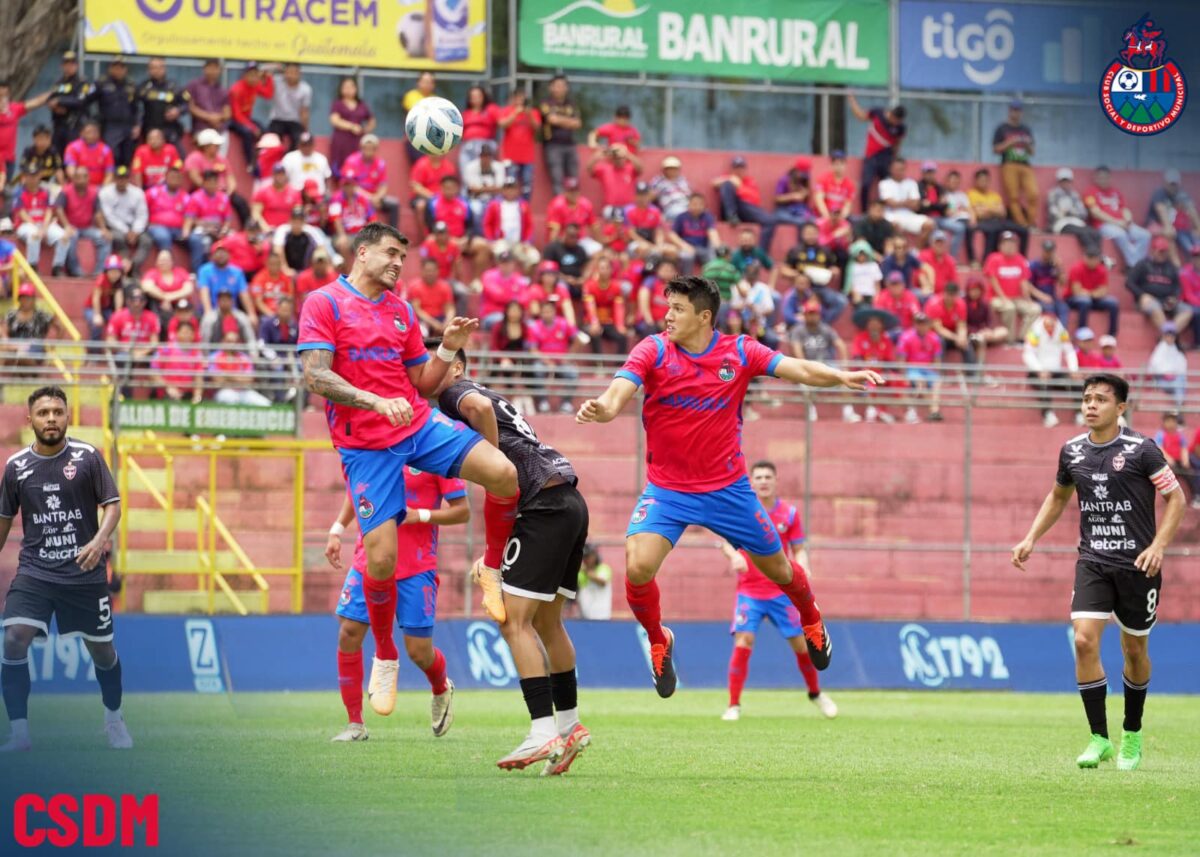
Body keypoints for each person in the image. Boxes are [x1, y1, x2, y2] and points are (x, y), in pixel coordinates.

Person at [577, 276, 880, 696]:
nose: (668, 315)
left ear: (704, 316)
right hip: (669, 490)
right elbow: (618, 393)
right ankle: (659, 639)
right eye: (668, 307)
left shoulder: (740, 351)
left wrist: (840, 376)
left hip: (728, 489)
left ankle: (810, 616)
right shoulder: (653, 348)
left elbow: (799, 368)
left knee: (778, 569)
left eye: (678, 309)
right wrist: (604, 409)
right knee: (637, 566)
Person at [296, 223, 519, 716]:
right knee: (379, 563)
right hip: (365, 448)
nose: (399, 263)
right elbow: (314, 374)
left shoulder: (402, 311)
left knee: (505, 473)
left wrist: (445, 348)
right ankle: (387, 655)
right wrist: (374, 402)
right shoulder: (324, 302)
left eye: (403, 255)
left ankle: (491, 565)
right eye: (391, 253)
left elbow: (423, 383)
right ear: (362, 252)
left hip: (416, 425)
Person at [1012, 373, 1186, 771]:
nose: (1091, 405)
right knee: (1085, 640)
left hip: (1138, 566)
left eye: (1101, 400)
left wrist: (1158, 546)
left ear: (1120, 408)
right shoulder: (1072, 451)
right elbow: (1058, 497)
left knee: (1134, 650)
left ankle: (1133, 733)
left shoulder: (1143, 450)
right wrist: (1030, 538)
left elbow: (1175, 498)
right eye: (1087, 398)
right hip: (1093, 561)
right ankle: (1098, 738)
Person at [435, 355, 591, 774]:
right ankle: (569, 724)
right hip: (569, 501)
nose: (422, 375)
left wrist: (492, 461)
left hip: (540, 504)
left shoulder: (454, 393)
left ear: (454, 367)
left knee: (513, 622)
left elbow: (479, 412)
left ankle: (542, 732)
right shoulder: (494, 393)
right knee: (548, 624)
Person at [0, 387, 130, 752]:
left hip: (84, 571)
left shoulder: (87, 457)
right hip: (36, 572)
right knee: (13, 639)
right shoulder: (16, 467)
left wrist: (99, 541)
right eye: (43, 413)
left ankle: (114, 720)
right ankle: (20, 734)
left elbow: (113, 506)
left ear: (68, 416)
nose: (51, 418)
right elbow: (5, 520)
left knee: (102, 652)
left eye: (58, 411)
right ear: (30, 420)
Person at [325, 462, 468, 743]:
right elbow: (359, 490)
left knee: (419, 652)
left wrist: (420, 515)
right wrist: (337, 529)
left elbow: (462, 512)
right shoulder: (377, 449)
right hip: (369, 557)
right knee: (349, 632)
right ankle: (355, 724)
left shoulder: (435, 452)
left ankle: (440, 686)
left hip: (415, 566)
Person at [719, 460, 837, 722]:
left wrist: (804, 565)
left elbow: (798, 548)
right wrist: (732, 556)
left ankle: (816, 693)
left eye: (767, 477)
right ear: (751, 482)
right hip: (749, 591)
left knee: (802, 647)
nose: (763, 481)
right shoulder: (742, 512)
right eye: (758, 477)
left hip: (781, 593)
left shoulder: (789, 514)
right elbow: (725, 543)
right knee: (743, 641)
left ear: (775, 481)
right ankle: (733, 705)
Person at [847, 95, 906, 213]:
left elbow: (897, 145)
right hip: (871, 156)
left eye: (899, 121)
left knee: (888, 187)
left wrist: (893, 160)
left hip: (887, 158)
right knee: (866, 184)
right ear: (891, 114)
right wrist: (852, 101)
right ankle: (865, 213)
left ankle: (884, 213)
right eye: (895, 120)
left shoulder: (900, 128)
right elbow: (861, 116)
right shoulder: (878, 113)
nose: (896, 123)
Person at [1084, 166, 1150, 269]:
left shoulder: (1116, 192)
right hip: (1103, 225)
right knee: (1121, 234)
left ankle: (1137, 264)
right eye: (1100, 178)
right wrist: (1117, 222)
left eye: (1105, 177)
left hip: (1122, 223)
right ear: (1095, 178)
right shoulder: (1090, 192)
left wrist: (1128, 220)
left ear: (1110, 178)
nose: (1103, 180)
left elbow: (1124, 209)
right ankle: (1134, 266)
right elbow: (1095, 213)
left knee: (1145, 235)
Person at [1023, 308, 1078, 428]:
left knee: (1078, 383)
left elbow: (1069, 351)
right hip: (1037, 371)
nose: (1051, 323)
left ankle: (1080, 414)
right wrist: (1039, 369)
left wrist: (1073, 370)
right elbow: (1028, 354)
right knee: (1044, 383)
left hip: (1056, 370)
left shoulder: (1061, 330)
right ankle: (1047, 414)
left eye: (1053, 319)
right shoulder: (1035, 331)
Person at [984, 230, 1040, 343]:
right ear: (1000, 245)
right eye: (1007, 243)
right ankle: (1009, 340)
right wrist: (1003, 298)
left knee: (1035, 309)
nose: (1010, 246)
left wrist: (1028, 300)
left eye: (1012, 243)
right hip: (996, 297)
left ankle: (1022, 338)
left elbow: (1024, 282)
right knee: (1010, 308)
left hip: (1017, 298)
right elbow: (993, 281)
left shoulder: (1020, 259)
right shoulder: (993, 258)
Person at [1127, 236, 1192, 333]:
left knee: (1188, 311)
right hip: (1148, 300)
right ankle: (1171, 340)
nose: (1162, 254)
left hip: (1167, 300)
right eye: (1160, 251)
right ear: (1153, 251)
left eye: (1164, 251)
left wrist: (1174, 298)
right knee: (1155, 308)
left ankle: (1167, 338)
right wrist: (1142, 295)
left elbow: (1177, 286)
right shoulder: (1143, 264)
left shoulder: (1171, 266)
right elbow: (1129, 283)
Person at [55, 170, 111, 277]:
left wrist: (103, 228)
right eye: (78, 178)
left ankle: (99, 272)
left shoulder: (94, 192)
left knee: (104, 238)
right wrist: (67, 226)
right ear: (73, 179)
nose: (81, 181)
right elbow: (59, 210)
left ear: (88, 179)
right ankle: (75, 271)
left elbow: (98, 213)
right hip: (70, 227)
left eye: (84, 177)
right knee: (71, 237)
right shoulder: (65, 191)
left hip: (87, 227)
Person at [714, 156, 776, 252]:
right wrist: (730, 180)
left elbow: (754, 199)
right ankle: (732, 216)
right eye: (736, 168)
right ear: (732, 169)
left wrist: (739, 186)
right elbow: (714, 183)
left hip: (746, 209)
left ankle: (761, 252)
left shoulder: (750, 181)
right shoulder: (728, 178)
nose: (738, 171)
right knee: (727, 185)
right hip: (729, 210)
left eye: (741, 168)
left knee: (770, 221)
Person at [86, 57, 138, 168]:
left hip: (127, 126)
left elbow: (135, 108)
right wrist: (91, 123)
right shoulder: (101, 83)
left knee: (127, 157)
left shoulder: (131, 85)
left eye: (121, 67)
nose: (118, 70)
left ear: (125, 69)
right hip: (109, 126)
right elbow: (86, 101)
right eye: (115, 67)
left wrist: (137, 125)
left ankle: (123, 183)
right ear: (110, 68)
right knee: (113, 156)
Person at [993, 100, 1038, 228]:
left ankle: (1031, 223)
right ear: (1009, 111)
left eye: (1018, 111)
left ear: (1021, 112)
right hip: (1009, 164)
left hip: (1025, 164)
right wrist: (1010, 143)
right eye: (1013, 110)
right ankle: (1022, 224)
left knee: (1033, 194)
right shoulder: (1002, 128)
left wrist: (1026, 144)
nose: (1016, 113)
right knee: (1013, 196)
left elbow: (1032, 151)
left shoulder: (1026, 129)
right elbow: (995, 149)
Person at [12, 165, 65, 272]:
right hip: (25, 225)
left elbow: (49, 211)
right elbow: (22, 214)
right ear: (25, 177)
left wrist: (44, 228)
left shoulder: (46, 192)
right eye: (30, 176)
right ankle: (32, 266)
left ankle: (57, 267)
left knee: (64, 237)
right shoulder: (19, 192)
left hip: (43, 224)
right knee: (34, 234)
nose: (32, 179)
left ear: (40, 176)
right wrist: (38, 228)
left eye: (35, 176)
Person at [98, 166, 151, 272]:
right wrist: (126, 231)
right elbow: (109, 216)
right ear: (114, 179)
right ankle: (123, 267)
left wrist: (136, 231)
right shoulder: (105, 193)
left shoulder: (137, 193)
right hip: (115, 227)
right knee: (118, 239)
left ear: (128, 179)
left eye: (124, 178)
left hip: (134, 226)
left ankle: (133, 266)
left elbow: (142, 215)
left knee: (147, 241)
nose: (122, 181)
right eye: (119, 178)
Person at [0, 83, 50, 186]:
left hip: (8, 159)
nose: (2, 98)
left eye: (5, 95)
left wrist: (55, 91)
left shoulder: (14, 108)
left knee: (4, 189)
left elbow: (36, 102)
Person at [539, 75, 582, 195]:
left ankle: (574, 208)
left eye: (563, 85)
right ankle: (560, 208)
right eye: (557, 85)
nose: (560, 88)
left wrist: (560, 120)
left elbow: (578, 123)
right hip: (553, 145)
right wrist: (569, 122)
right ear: (551, 88)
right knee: (557, 178)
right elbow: (551, 120)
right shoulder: (546, 103)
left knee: (573, 178)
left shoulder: (571, 104)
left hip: (570, 145)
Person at [183, 169, 233, 270]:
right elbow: (191, 219)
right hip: (202, 229)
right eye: (209, 182)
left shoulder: (223, 198)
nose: (212, 185)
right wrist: (206, 226)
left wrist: (224, 229)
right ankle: (198, 271)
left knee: (234, 238)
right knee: (200, 241)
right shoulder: (195, 197)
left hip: (219, 228)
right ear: (204, 183)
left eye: (214, 182)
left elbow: (228, 220)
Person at [897, 313, 943, 423]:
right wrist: (903, 376)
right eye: (919, 323)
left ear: (928, 324)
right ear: (915, 324)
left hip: (928, 369)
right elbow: (901, 360)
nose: (921, 326)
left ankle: (935, 411)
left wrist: (938, 373)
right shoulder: (906, 337)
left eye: (924, 323)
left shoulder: (935, 338)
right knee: (920, 382)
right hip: (913, 368)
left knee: (937, 382)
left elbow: (937, 360)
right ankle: (931, 410)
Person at [1147, 169, 1199, 262]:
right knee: (1169, 236)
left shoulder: (1182, 194)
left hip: (1177, 228)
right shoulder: (1159, 193)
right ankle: (1177, 269)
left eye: (1175, 184)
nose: (1173, 187)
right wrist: (1168, 228)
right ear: (1165, 183)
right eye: (1171, 184)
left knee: (1194, 237)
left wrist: (1198, 228)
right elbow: (1161, 211)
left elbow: (1192, 210)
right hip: (1155, 224)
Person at [878, 157, 932, 245]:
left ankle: (916, 252)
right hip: (891, 216)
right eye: (896, 169)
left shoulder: (911, 183)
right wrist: (907, 202)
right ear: (891, 169)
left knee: (929, 224)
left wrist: (898, 203)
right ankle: (899, 253)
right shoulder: (884, 184)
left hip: (909, 215)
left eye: (901, 169)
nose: (899, 172)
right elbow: (890, 203)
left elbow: (916, 205)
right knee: (894, 225)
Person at [2, 283, 58, 368]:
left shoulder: (41, 315)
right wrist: (7, 341)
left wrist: (53, 346)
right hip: (15, 345)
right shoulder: (12, 314)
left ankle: (23, 364)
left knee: (22, 356)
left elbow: (60, 327)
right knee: (5, 349)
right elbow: (4, 330)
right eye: (22, 298)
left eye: (28, 298)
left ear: (33, 299)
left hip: (34, 346)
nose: (25, 301)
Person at [1048, 168, 1101, 256]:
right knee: (1083, 233)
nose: (1065, 183)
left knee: (1095, 233)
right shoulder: (1053, 194)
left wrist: (1069, 212)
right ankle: (1097, 257)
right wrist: (1068, 213)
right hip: (1061, 223)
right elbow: (1053, 213)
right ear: (1059, 182)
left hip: (1077, 222)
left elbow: (1083, 213)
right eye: (1063, 181)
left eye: (1067, 181)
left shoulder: (1074, 195)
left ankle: (1098, 257)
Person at [47, 52, 92, 158]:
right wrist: (54, 106)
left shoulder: (82, 83)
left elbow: (81, 101)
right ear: (62, 66)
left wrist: (60, 101)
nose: (69, 67)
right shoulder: (59, 83)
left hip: (74, 126)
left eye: (72, 64)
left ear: (77, 65)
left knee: (72, 158)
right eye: (66, 64)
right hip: (58, 126)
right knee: (57, 157)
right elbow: (50, 98)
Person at [497, 89, 540, 198]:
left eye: (522, 98)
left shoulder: (533, 112)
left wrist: (529, 114)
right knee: (510, 184)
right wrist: (515, 113)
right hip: (510, 156)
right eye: (518, 98)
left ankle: (524, 209)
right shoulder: (507, 110)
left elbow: (537, 127)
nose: (520, 101)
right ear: (513, 99)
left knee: (527, 186)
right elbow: (502, 124)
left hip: (527, 157)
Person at [328, 77, 374, 178]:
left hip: (357, 142)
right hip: (341, 142)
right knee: (339, 170)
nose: (348, 89)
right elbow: (334, 120)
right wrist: (352, 126)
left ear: (356, 88)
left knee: (357, 170)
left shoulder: (362, 105)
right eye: (345, 87)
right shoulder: (338, 104)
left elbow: (372, 120)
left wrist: (365, 130)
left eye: (351, 86)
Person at [1067, 248, 1120, 336]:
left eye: (1096, 259)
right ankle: (1082, 333)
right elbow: (1076, 291)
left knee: (1113, 303)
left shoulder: (1102, 270)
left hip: (1093, 298)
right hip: (1073, 298)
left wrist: (1089, 294)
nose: (1093, 262)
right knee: (1085, 301)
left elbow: (1103, 291)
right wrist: (1094, 293)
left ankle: (1112, 334)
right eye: (1091, 259)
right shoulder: (1076, 268)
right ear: (1086, 258)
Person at [1153, 412, 1200, 510]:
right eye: (1168, 421)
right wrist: (1168, 458)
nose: (1171, 424)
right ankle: (1169, 498)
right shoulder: (1161, 434)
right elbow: (1159, 447)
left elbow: (1184, 448)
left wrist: (1185, 460)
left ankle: (1196, 496)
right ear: (1164, 422)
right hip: (1166, 462)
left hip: (1179, 462)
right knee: (1169, 477)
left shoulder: (1179, 435)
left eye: (1173, 421)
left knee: (1190, 475)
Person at [151, 319, 206, 402]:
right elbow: (154, 371)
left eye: (189, 333)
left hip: (188, 394)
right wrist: (168, 387)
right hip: (167, 392)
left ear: (193, 335)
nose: (187, 335)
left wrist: (197, 396)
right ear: (177, 333)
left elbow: (198, 378)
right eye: (184, 332)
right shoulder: (166, 349)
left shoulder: (197, 354)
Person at [140, 57, 191, 146]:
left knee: (179, 156)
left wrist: (178, 110)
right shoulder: (143, 87)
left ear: (165, 69)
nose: (157, 71)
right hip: (150, 130)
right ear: (149, 70)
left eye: (160, 67)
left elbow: (187, 103)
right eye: (153, 68)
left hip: (170, 129)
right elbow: (135, 107)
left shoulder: (174, 86)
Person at [267, 63, 311, 151]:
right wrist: (276, 67)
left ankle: (287, 160)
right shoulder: (276, 82)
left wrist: (306, 130)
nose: (291, 75)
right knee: (271, 139)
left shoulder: (305, 89)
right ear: (284, 73)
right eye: (288, 72)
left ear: (299, 74)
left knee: (298, 140)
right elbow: (262, 74)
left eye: (294, 72)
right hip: (277, 119)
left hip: (294, 121)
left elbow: (304, 111)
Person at [1027, 238, 1069, 328]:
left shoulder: (1054, 265)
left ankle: (1061, 333)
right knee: (1050, 308)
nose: (1048, 253)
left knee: (1063, 308)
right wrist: (1042, 296)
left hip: (1052, 297)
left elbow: (1063, 283)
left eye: (1050, 251)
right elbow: (1028, 286)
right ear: (1042, 250)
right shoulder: (1034, 265)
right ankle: (1050, 335)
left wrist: (1060, 268)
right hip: (1037, 298)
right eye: (1046, 251)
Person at [459, 85, 501, 171]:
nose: (476, 99)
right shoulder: (466, 113)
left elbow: (502, 122)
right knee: (466, 170)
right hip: (468, 146)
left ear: (484, 97)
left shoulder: (491, 109)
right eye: (473, 97)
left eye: (478, 96)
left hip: (486, 146)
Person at [1145, 324, 1188, 408]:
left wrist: (1174, 374)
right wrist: (1166, 374)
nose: (1170, 338)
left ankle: (1179, 407)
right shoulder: (1158, 350)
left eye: (1172, 336)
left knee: (1180, 381)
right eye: (1168, 335)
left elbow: (1182, 368)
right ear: (1164, 336)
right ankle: (1180, 408)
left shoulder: (1178, 350)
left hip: (1176, 379)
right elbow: (1154, 367)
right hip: (1162, 381)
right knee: (1178, 385)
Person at [63, 121, 115, 189]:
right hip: (78, 187)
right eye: (89, 132)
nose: (92, 135)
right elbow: (70, 171)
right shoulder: (72, 147)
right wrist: (83, 187)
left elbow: (109, 174)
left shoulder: (106, 150)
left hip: (99, 188)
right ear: (81, 133)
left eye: (95, 132)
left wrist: (103, 190)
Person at [87, 256, 127, 340]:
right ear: (106, 271)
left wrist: (118, 316)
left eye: (117, 271)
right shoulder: (101, 279)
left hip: (106, 308)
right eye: (111, 271)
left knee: (117, 322)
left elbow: (118, 298)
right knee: (96, 324)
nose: (114, 274)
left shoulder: (119, 282)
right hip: (91, 307)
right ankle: (94, 350)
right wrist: (97, 314)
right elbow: (96, 298)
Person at [281, 132, 332, 197]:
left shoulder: (321, 159)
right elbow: (283, 177)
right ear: (298, 145)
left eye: (309, 145)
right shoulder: (289, 158)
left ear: (313, 145)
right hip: (296, 195)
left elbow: (327, 177)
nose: (306, 148)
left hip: (317, 195)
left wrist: (327, 193)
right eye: (304, 145)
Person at [650, 155, 692, 224]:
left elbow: (690, 195)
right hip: (670, 208)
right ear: (664, 170)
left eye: (675, 168)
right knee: (681, 213)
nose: (672, 171)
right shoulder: (658, 181)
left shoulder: (683, 180)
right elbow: (649, 197)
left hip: (687, 206)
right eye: (670, 168)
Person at [575, 545, 612, 621]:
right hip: (584, 617)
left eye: (588, 556)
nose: (585, 559)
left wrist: (585, 571)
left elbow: (602, 582)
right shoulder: (580, 573)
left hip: (602, 617)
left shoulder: (603, 568)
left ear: (595, 556)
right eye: (584, 557)